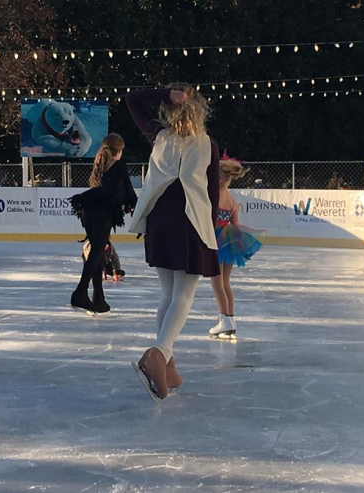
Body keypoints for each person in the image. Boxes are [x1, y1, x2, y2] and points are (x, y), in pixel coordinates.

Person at [125, 84, 219, 402]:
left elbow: (133, 99)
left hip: (159, 219)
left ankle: (167, 366)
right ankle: (158, 354)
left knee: (168, 294)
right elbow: (212, 195)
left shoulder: (158, 136)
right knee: (184, 295)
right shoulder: (208, 145)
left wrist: (164, 92)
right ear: (200, 114)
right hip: (189, 221)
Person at [69, 133, 136, 314]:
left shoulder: (99, 164)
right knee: (97, 252)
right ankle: (80, 292)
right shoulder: (119, 165)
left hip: (88, 208)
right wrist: (136, 207)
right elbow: (129, 192)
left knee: (97, 250)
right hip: (102, 211)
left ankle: (98, 296)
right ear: (119, 151)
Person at [208, 158, 264, 340]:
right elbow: (236, 225)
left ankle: (224, 319)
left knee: (217, 283)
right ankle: (230, 321)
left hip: (216, 241)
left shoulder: (213, 196)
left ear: (220, 178)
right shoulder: (231, 199)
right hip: (230, 241)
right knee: (225, 283)